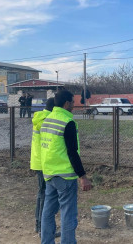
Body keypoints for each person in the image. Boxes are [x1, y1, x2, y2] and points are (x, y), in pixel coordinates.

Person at [40, 90, 91, 244]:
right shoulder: (67, 122)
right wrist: (83, 176)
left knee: (48, 213)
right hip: (65, 176)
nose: (74, 106)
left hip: (49, 173)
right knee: (68, 215)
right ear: (67, 103)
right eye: (73, 103)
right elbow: (72, 152)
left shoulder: (47, 119)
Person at [30, 98, 55, 236]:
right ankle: (42, 228)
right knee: (46, 195)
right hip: (44, 162)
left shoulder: (39, 117)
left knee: (42, 193)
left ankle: (38, 225)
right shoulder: (48, 120)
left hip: (37, 160)